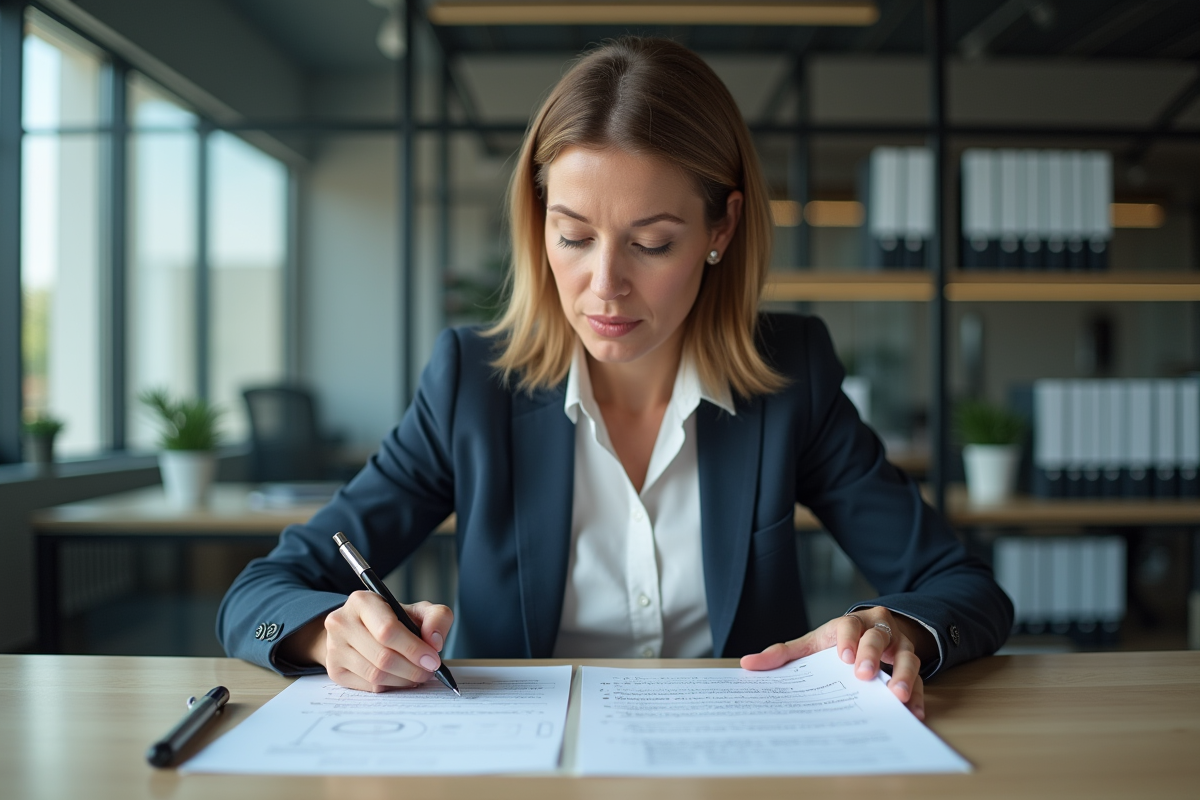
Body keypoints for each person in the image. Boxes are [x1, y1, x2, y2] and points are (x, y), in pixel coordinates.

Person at [218, 37, 1012, 720]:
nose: (604, 285)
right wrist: (326, 634)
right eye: (573, 236)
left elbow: (963, 586)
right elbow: (262, 590)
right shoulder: (472, 385)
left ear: (721, 227)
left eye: (653, 244)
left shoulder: (789, 377)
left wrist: (901, 629)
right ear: (541, 224)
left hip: (736, 765)